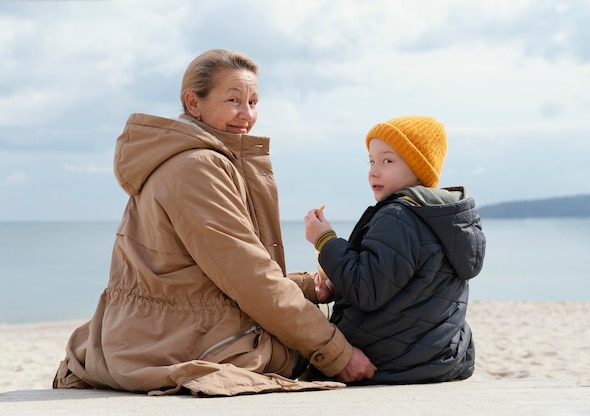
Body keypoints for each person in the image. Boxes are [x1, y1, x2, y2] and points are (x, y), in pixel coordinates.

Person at [53, 48, 376, 397]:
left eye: (253, 101)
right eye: (233, 100)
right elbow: (249, 278)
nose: (247, 114)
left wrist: (306, 286)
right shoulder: (197, 168)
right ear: (194, 103)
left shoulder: (185, 159)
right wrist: (336, 354)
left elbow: (206, 275)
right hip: (183, 342)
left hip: (151, 334)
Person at [304, 115, 486, 384]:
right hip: (439, 357)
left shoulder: (397, 217)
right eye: (371, 160)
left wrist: (325, 241)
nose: (374, 171)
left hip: (390, 359)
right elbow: (396, 283)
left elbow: (368, 290)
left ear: (419, 167)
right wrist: (338, 282)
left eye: (387, 161)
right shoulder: (442, 217)